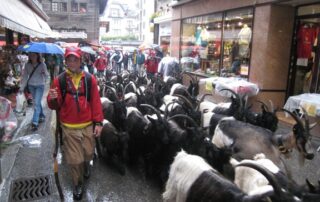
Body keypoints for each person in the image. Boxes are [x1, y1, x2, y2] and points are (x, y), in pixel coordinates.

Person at [47, 47, 103, 201]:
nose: (72, 62)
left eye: (75, 59)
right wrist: (51, 98)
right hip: (69, 127)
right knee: (74, 159)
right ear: (65, 61)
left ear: (80, 60)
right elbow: (53, 105)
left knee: (88, 153)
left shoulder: (90, 79)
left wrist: (98, 123)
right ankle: (77, 183)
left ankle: (86, 165)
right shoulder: (59, 80)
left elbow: (96, 102)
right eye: (69, 59)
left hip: (87, 125)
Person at [19, 52, 49, 131]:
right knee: (37, 102)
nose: (32, 56)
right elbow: (25, 77)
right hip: (31, 86)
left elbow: (47, 75)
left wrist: (45, 78)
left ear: (37, 56)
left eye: (34, 55)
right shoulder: (27, 65)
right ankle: (42, 115)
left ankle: (35, 122)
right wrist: (22, 88)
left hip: (40, 86)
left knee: (36, 103)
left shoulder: (42, 65)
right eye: (30, 55)